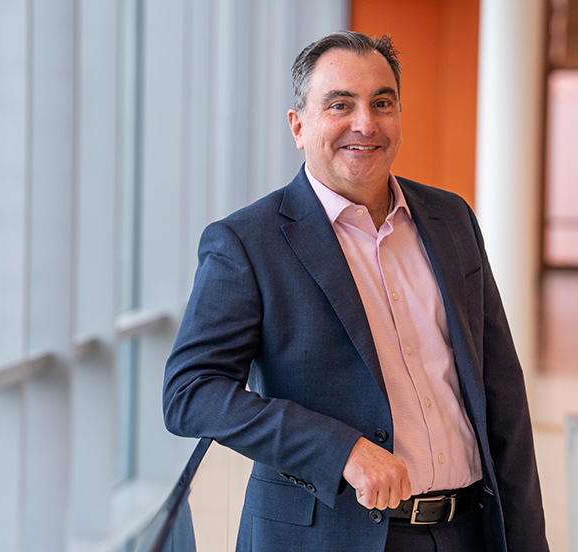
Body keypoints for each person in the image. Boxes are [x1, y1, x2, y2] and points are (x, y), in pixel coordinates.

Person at [162, 30, 548, 552]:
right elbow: (190, 392)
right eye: (340, 104)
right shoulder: (247, 243)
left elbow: (502, 394)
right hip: (329, 536)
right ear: (298, 126)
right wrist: (341, 450)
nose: (365, 123)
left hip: (467, 531)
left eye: (382, 103)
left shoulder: (451, 219)